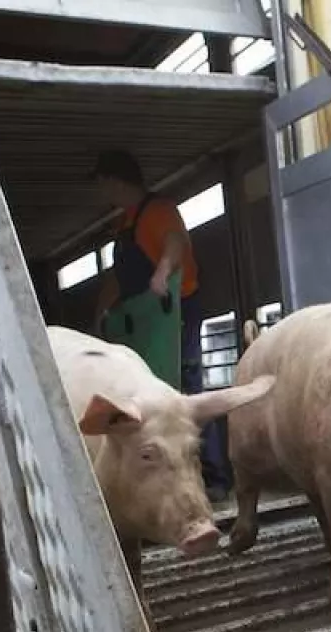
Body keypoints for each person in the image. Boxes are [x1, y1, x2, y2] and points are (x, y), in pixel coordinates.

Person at [90, 149, 231, 502]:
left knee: (186, 388)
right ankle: (162, 482)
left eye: (102, 185)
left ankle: (213, 477)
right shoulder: (125, 224)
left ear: (115, 181)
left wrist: (162, 272)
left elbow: (174, 243)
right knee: (155, 394)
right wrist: (100, 313)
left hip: (175, 310)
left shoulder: (158, 211)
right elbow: (118, 277)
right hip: (146, 320)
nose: (102, 194)